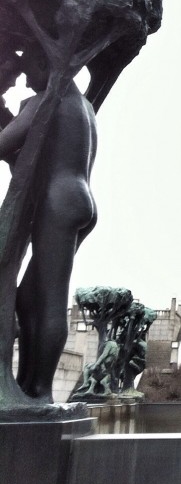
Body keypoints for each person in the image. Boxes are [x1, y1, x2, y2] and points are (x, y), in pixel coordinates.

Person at [0, 46, 98, 402]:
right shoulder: (83, 106)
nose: (25, 80)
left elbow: (6, 146)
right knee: (28, 299)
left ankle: (40, 391)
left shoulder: (43, 101)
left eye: (29, 70)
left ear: (47, 62)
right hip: (78, 198)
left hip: (57, 202)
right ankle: (29, 383)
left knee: (50, 296)